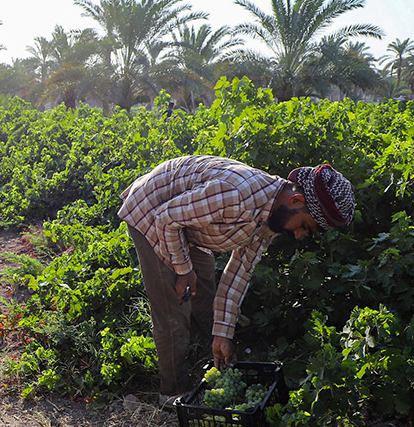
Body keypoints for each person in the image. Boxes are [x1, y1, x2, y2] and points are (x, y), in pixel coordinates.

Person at [118, 155, 355, 407]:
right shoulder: (236, 194)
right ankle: (173, 391)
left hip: (182, 222)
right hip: (153, 211)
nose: (297, 235)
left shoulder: (269, 219)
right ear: (296, 201)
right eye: (304, 226)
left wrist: (223, 333)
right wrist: (183, 269)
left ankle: (205, 354)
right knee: (173, 305)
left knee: (204, 283)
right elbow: (166, 219)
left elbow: (239, 272)